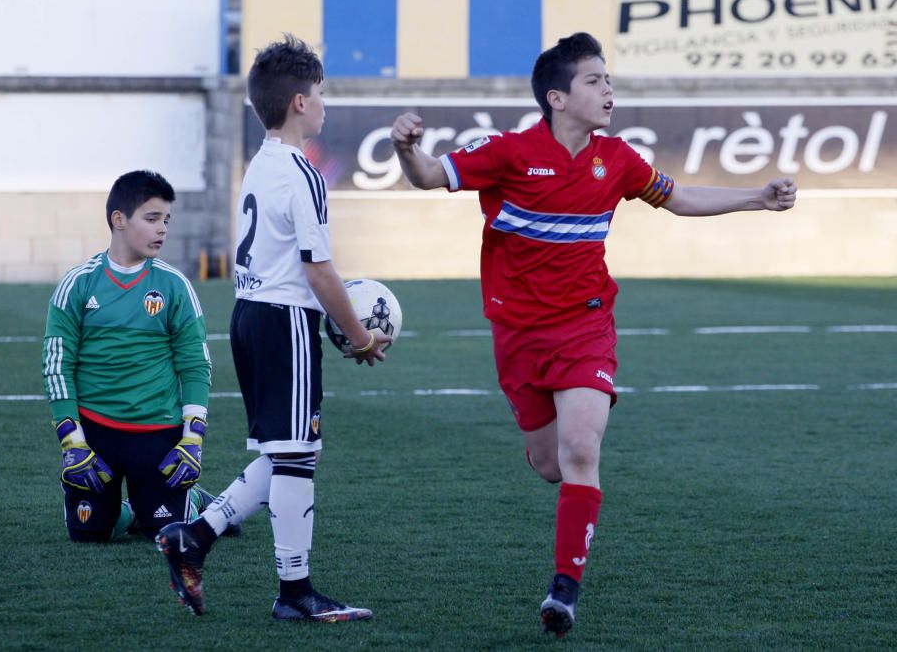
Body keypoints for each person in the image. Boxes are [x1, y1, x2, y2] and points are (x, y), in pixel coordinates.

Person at [390, 32, 797, 638]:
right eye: (593, 80)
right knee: (551, 463)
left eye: (608, 79)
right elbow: (427, 176)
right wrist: (406, 148)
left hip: (586, 324)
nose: (607, 89)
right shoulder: (506, 152)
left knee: (582, 451)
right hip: (518, 334)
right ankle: (550, 466)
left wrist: (757, 199)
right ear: (557, 97)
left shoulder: (618, 159)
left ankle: (564, 591)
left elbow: (679, 197)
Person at [155, 35, 391, 622]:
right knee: (298, 458)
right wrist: (359, 337)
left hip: (249, 316)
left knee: (285, 455)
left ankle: (195, 537)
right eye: (319, 93)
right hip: (285, 320)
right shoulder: (302, 172)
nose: (324, 102)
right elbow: (318, 270)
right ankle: (295, 592)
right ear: (299, 104)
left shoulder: (260, 164)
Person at [41, 170, 218, 543]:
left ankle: (198, 502)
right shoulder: (78, 283)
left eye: (166, 220)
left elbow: (195, 365)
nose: (163, 229)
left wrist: (193, 438)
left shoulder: (175, 286)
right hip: (95, 434)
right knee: (88, 536)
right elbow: (57, 366)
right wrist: (71, 439)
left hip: (157, 431)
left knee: (166, 533)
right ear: (118, 220)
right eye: (152, 218)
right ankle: (121, 509)